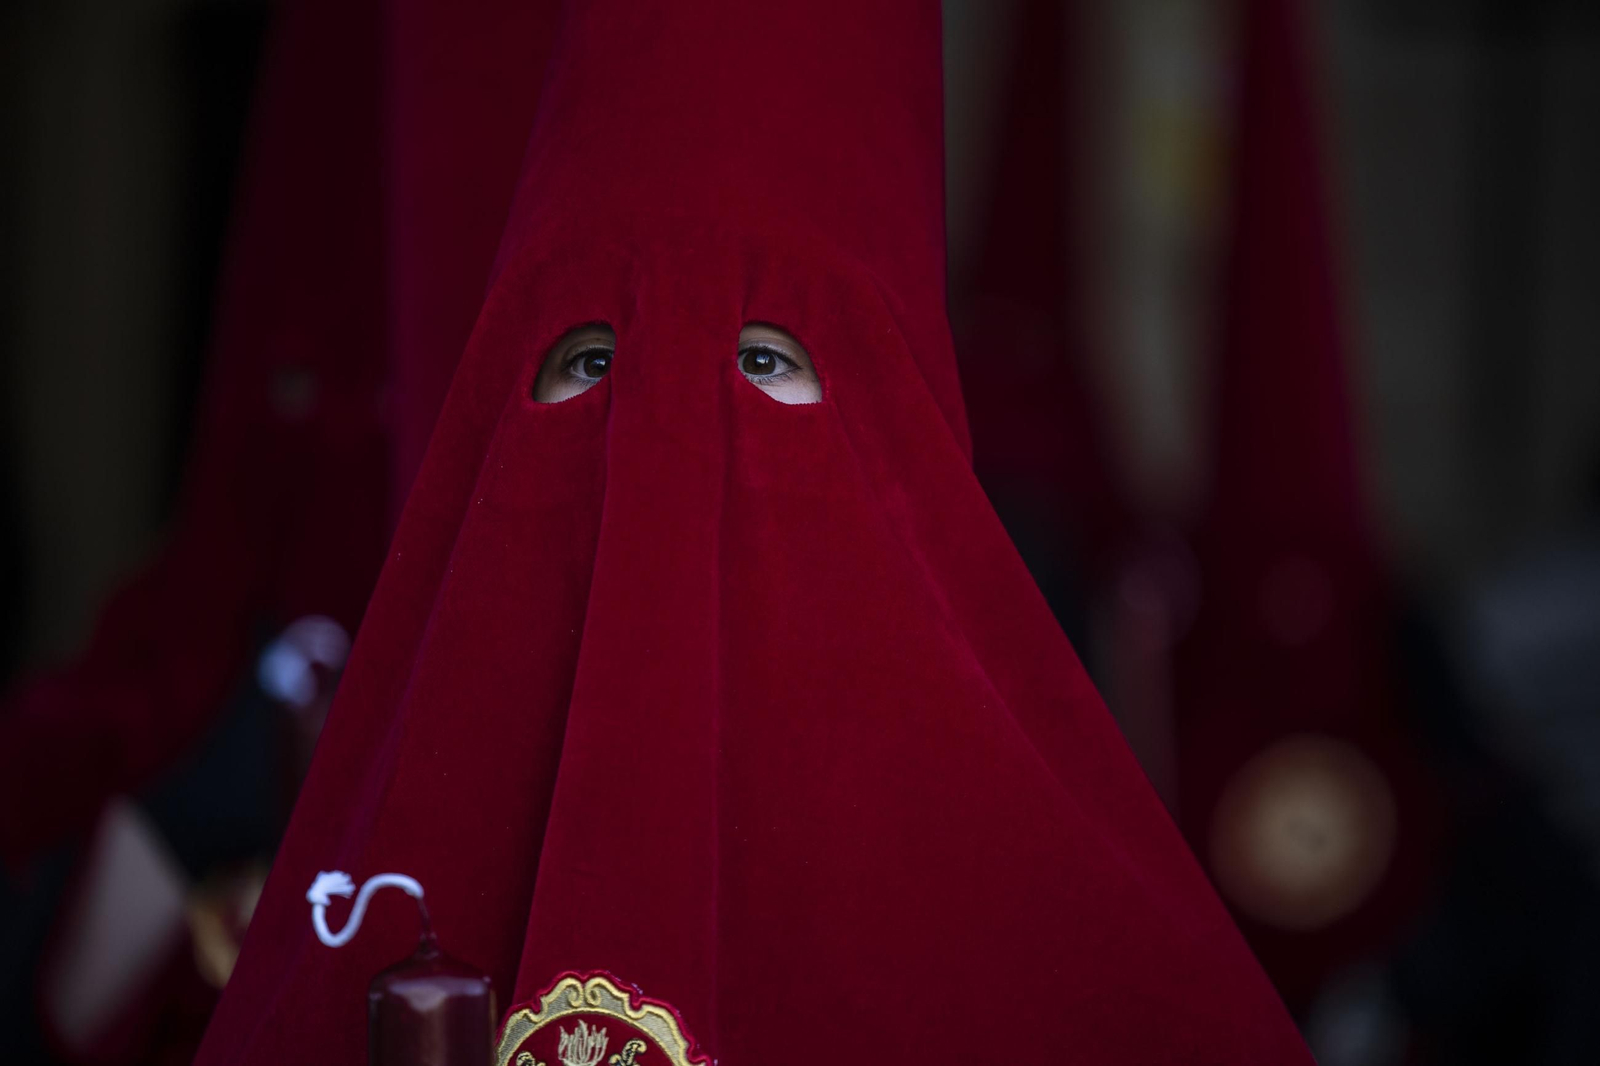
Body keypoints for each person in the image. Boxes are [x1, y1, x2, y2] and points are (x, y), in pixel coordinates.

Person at [197, 1, 1314, 1061]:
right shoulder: (366, 899)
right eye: (596, 360)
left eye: (759, 357)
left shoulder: (1096, 952)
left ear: (895, 435)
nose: (662, 446)